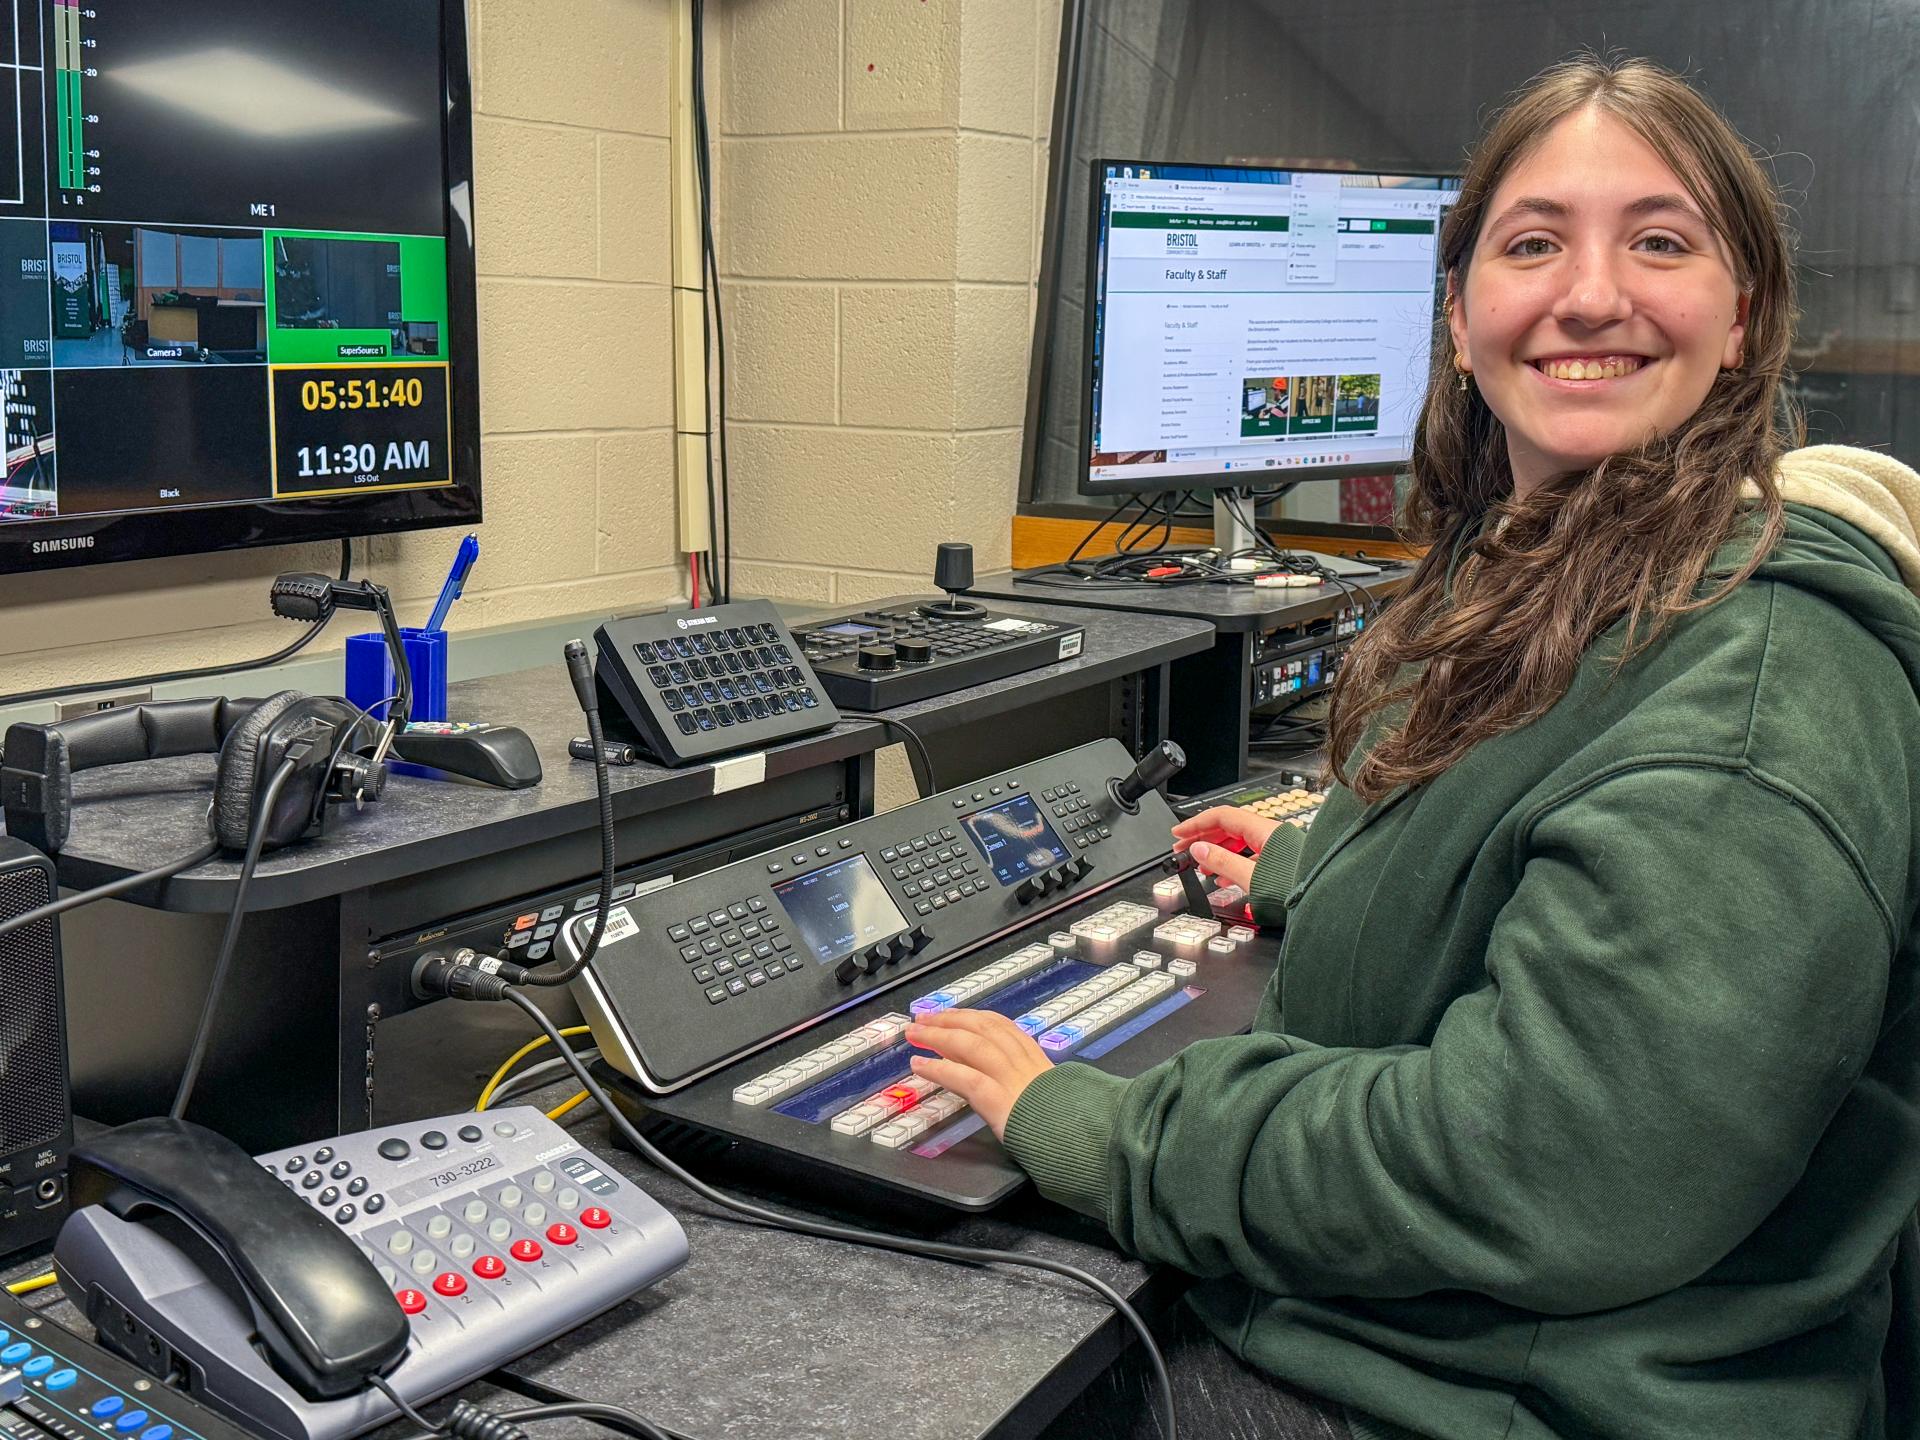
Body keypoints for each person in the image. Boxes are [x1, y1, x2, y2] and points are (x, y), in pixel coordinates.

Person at [913, 54, 1920, 1440]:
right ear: (1459, 319)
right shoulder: (1580, 575)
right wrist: (1330, 864)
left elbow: (1554, 1166)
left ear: (1741, 317)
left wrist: (1122, 1135)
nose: (1590, 295)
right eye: (1533, 243)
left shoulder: (1762, 688)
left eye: (1660, 242)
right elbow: (1538, 832)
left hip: (1522, 1403)